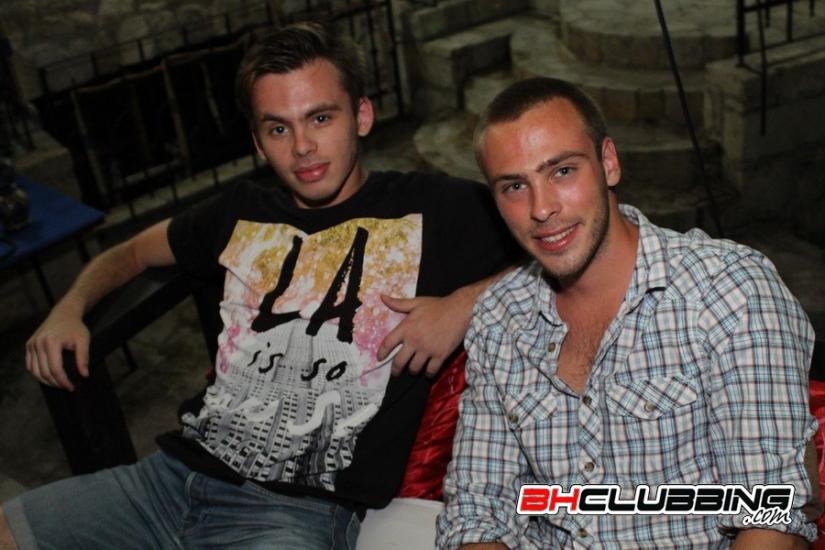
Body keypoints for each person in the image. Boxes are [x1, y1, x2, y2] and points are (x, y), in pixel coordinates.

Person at [0, 23, 518, 549]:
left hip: (294, 513)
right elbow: (131, 251)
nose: (302, 147)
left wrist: (463, 305)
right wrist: (68, 307)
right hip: (168, 480)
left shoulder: (433, 207)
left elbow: (567, 237)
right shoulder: (239, 211)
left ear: (362, 115)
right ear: (257, 142)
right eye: (278, 128)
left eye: (320, 118)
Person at [436, 77, 820, 549]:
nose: (541, 208)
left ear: (609, 163)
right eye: (515, 186)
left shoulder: (727, 291)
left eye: (562, 171)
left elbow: (773, 515)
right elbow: (479, 509)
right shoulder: (499, 317)